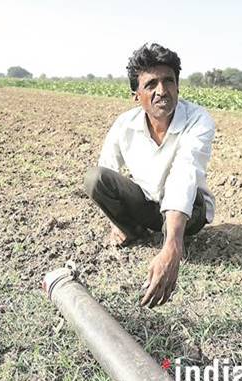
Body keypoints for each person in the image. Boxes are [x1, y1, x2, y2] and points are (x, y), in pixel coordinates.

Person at [84, 43, 216, 308]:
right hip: (147, 205)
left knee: (191, 199)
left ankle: (170, 236)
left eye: (169, 81)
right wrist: (115, 222)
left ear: (178, 87)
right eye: (151, 84)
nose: (162, 91)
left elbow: (185, 173)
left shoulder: (198, 120)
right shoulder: (124, 125)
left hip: (189, 212)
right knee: (95, 179)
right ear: (136, 95)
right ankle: (133, 232)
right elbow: (107, 169)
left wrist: (173, 245)